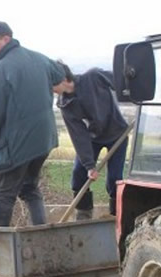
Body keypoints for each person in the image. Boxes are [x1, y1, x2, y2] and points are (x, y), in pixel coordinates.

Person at [0, 21, 65, 226]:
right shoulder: (40, 59)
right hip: (44, 140)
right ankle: (41, 235)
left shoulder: (1, 69)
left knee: (4, 194)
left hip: (18, 142)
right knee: (29, 188)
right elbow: (60, 75)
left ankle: (0, 240)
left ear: (6, 39)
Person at [54, 62, 129, 219]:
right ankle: (83, 216)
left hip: (118, 133)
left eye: (51, 84)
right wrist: (89, 165)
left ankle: (117, 217)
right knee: (79, 174)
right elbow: (78, 135)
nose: (50, 89)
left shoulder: (94, 77)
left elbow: (121, 83)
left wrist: (136, 95)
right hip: (94, 137)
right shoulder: (65, 104)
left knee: (114, 179)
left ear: (63, 79)